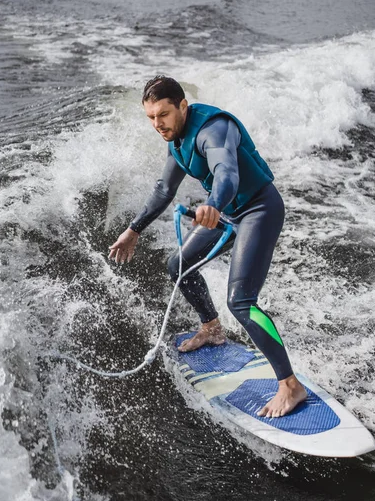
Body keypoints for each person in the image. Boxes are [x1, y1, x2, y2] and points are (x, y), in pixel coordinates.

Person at [109, 75, 307, 418]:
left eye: (163, 115)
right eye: (151, 117)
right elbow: (164, 189)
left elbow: (227, 172)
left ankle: (291, 386)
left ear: (183, 106)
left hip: (258, 209)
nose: (157, 124)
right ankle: (211, 328)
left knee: (242, 302)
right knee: (178, 265)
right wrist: (133, 230)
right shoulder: (177, 137)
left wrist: (213, 203)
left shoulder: (212, 130)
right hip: (228, 213)